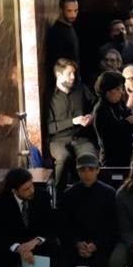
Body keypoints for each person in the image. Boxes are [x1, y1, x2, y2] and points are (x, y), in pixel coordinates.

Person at [57, 154, 117, 267]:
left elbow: (113, 226)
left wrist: (96, 244)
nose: (87, 173)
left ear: (98, 170)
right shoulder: (69, 194)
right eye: (82, 170)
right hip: (75, 244)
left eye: (91, 169)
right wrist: (77, 243)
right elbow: (63, 226)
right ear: (77, 172)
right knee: (59, 266)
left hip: (100, 244)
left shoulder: (109, 193)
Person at [45, 58, 98, 188]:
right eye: (69, 74)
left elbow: (96, 105)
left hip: (81, 138)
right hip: (58, 140)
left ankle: (90, 191)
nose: (73, 77)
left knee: (89, 157)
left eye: (74, 73)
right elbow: (50, 127)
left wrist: (91, 116)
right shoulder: (50, 97)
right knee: (63, 157)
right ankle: (59, 193)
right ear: (58, 74)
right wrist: (73, 121)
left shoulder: (81, 89)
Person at [93, 71, 133, 167]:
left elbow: (130, 129)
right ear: (107, 91)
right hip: (111, 159)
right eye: (117, 89)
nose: (121, 92)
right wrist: (127, 122)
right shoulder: (100, 110)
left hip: (126, 155)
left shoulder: (119, 105)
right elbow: (109, 136)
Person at [45, 0, 80, 80]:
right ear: (61, 10)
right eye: (69, 11)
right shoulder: (56, 32)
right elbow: (56, 61)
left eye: (75, 10)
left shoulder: (70, 27)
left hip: (73, 78)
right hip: (64, 80)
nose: (73, 15)